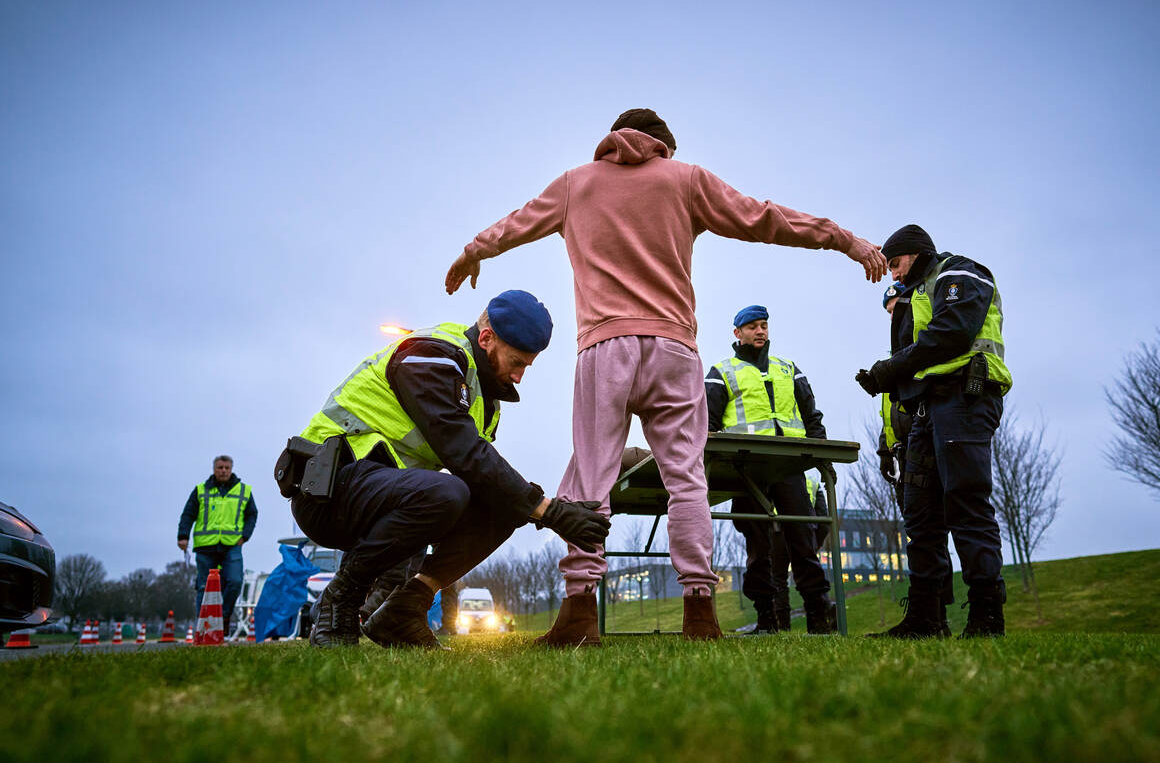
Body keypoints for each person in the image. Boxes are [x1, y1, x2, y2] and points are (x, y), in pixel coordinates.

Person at [445, 108, 885, 646]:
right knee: (686, 480)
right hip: (674, 349)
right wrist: (842, 239)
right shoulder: (686, 179)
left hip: (604, 347)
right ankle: (700, 613)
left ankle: (580, 615)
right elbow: (765, 217)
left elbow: (517, 221)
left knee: (590, 479)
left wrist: (475, 251)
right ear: (663, 147)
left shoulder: (574, 185)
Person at [279, 290, 610, 648]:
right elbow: (464, 453)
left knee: (503, 503)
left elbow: (485, 476)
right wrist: (549, 511)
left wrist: (540, 507)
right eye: (516, 362)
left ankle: (404, 610)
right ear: (486, 338)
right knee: (450, 493)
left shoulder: (482, 395)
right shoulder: (430, 355)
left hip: (379, 495)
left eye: (526, 366)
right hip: (329, 490)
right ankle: (340, 599)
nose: (519, 376)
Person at [855, 225, 1011, 638]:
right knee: (920, 514)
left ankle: (986, 616)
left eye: (895, 263)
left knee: (966, 502)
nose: (893, 274)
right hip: (927, 409)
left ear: (915, 252)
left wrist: (891, 369)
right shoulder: (917, 291)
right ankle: (926, 618)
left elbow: (952, 334)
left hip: (965, 398)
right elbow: (918, 352)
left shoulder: (959, 274)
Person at [705, 305, 836, 634]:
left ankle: (818, 615)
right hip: (745, 469)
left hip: (788, 467)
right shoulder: (721, 372)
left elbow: (811, 416)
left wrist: (822, 459)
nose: (760, 331)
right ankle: (766, 618)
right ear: (738, 334)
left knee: (803, 541)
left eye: (763, 325)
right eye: (752, 327)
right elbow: (706, 423)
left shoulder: (788, 368)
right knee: (758, 547)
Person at [875, 278, 955, 632]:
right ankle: (925, 613)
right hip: (901, 454)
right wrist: (884, 447)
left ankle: (939, 612)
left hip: (923, 446)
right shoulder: (896, 359)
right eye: (890, 312)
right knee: (918, 531)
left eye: (896, 308)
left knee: (932, 532)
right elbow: (888, 411)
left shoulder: (914, 356)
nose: (894, 316)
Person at [177, 455, 257, 635]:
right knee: (203, 587)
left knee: (235, 581)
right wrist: (183, 536)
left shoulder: (243, 491)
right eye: (220, 467)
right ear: (214, 469)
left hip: (232, 545)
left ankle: (225, 616)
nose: (223, 471)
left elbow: (252, 514)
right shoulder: (200, 490)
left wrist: (245, 536)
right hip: (206, 547)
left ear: (231, 469)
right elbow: (188, 514)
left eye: (226, 468)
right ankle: (203, 628)